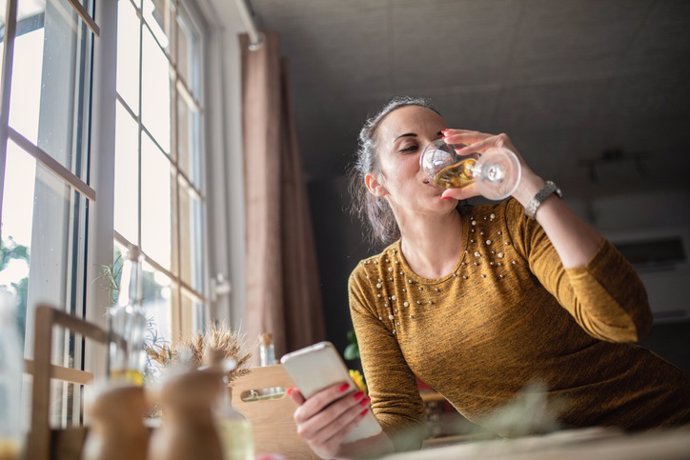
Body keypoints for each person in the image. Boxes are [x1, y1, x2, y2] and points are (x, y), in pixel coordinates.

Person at [287, 96, 690, 459]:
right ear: (377, 184)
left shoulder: (514, 223)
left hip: (664, 431)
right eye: (410, 146)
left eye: (442, 141)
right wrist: (342, 447)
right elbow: (400, 421)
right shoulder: (372, 284)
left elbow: (625, 320)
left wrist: (527, 186)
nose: (436, 155)